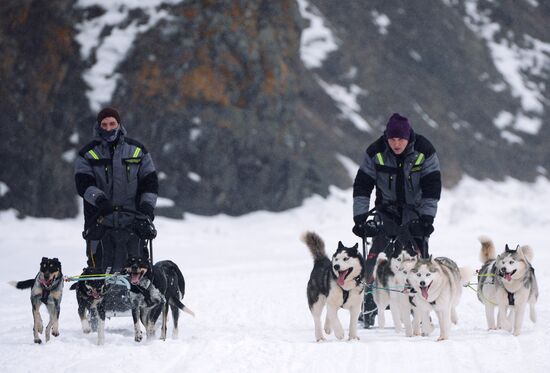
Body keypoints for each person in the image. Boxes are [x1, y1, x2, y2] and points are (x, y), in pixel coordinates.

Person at [352, 112, 441, 326]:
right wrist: (360, 218)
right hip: (386, 213)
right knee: (374, 262)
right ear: (387, 137)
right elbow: (362, 186)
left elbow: (432, 187)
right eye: (392, 139)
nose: (396, 143)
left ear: (408, 136)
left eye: (400, 139)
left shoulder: (424, 150)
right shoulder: (376, 152)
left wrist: (427, 219)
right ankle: (369, 308)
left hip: (416, 215)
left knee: (418, 265)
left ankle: (421, 311)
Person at [74, 107, 159, 272]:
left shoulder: (138, 151)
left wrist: (147, 208)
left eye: (112, 124)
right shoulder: (87, 154)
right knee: (100, 273)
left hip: (133, 223)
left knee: (136, 273)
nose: (108, 128)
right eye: (104, 124)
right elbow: (83, 184)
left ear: (119, 125)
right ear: (98, 126)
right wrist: (99, 200)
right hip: (100, 222)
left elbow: (150, 183)